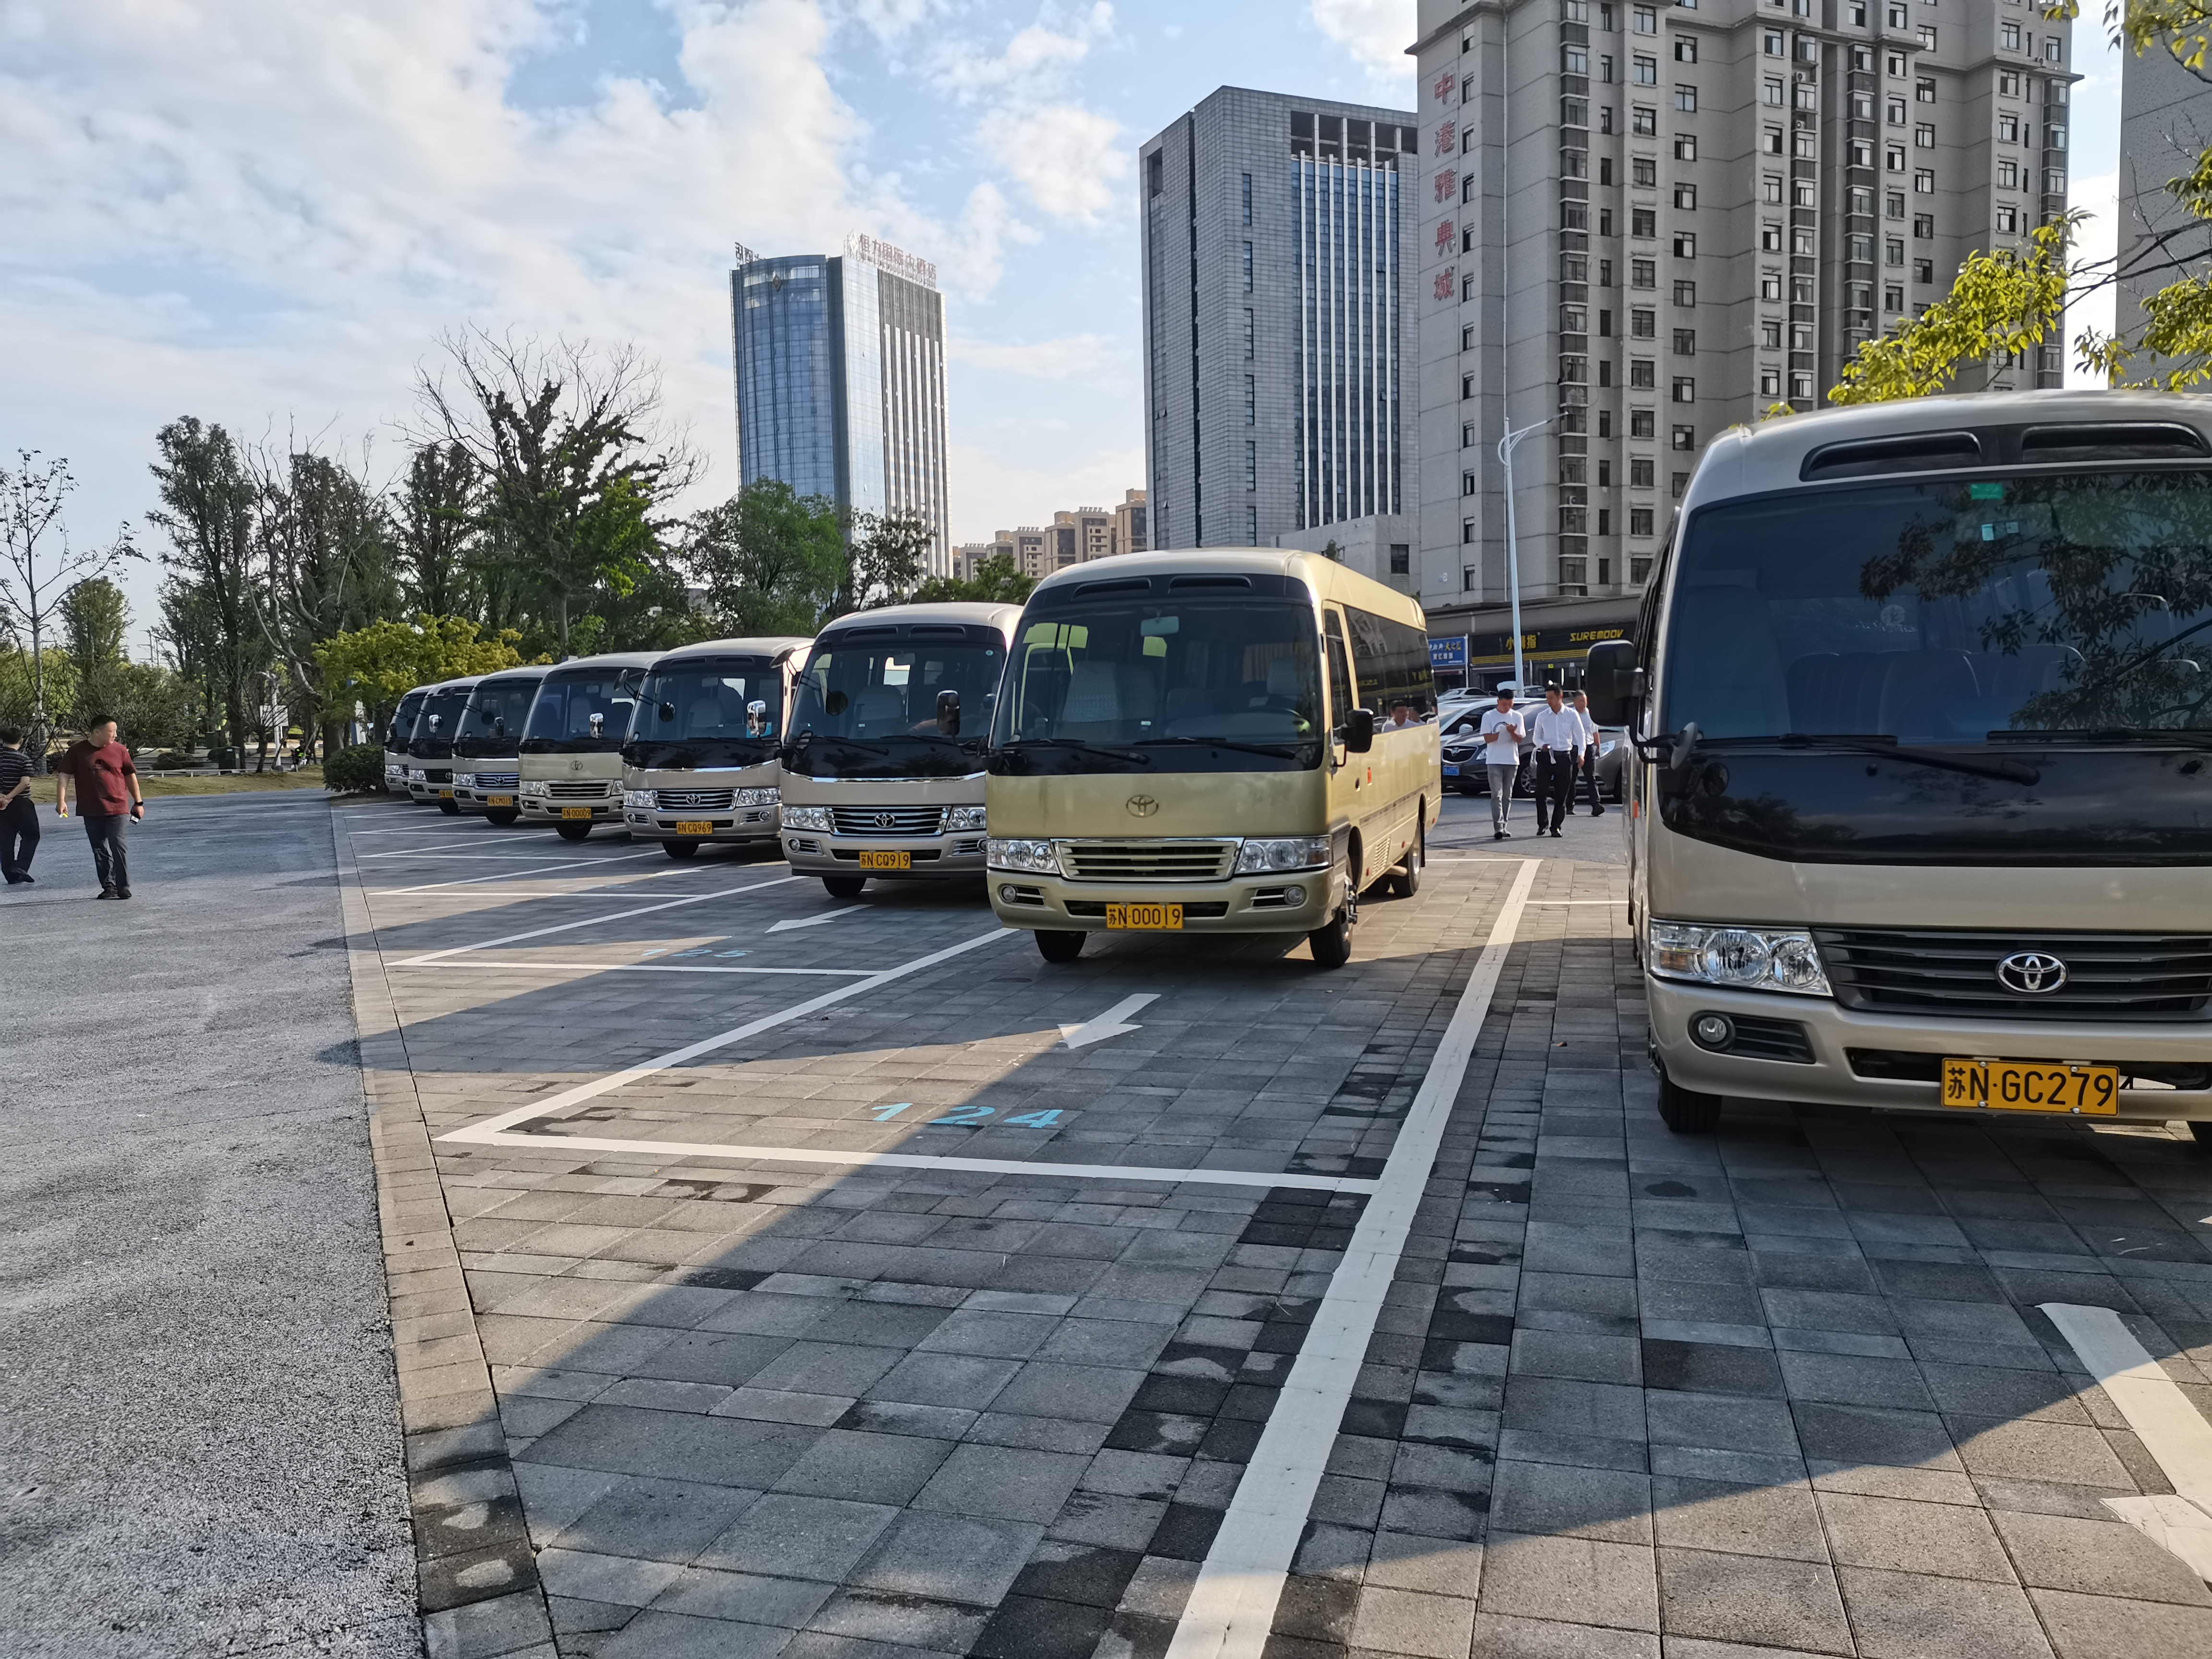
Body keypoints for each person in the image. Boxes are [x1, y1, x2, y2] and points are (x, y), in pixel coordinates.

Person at [55, 716, 144, 899]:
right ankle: (109, 886)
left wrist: (138, 802)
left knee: (118, 844)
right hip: (91, 809)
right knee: (99, 849)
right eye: (112, 731)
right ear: (97, 732)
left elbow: (130, 776)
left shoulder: (120, 750)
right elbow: (64, 775)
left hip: (118, 806)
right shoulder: (77, 751)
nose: (116, 735)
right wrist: (61, 801)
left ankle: (123, 886)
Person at [1527, 684, 1585, 839]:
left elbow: (1581, 736)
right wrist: (1542, 745)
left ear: (1560, 697)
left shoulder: (1572, 715)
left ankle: (1556, 826)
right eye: (1547, 698)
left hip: (1564, 757)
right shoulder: (1543, 716)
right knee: (1541, 793)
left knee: (1561, 795)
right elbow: (1536, 737)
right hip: (1546, 757)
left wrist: (1581, 754)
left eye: (1551, 698)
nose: (1549, 701)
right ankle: (1542, 823)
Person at [1478, 688, 1526, 841]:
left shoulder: (1517, 716)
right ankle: (1498, 827)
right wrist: (1504, 732)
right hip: (1494, 761)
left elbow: (1520, 740)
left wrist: (1512, 732)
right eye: (1504, 704)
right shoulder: (1489, 716)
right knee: (1496, 794)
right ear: (1498, 701)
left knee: (1507, 796)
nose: (1507, 708)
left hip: (1511, 760)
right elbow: (1487, 739)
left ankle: (1505, 825)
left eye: (1510, 704)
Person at [0, 726, 38, 884]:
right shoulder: (23, 759)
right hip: (21, 803)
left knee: (6, 840)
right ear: (21, 741)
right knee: (32, 835)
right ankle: (21, 866)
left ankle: (11, 875)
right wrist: (9, 798)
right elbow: (25, 782)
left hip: (1, 805)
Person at [1573, 690, 1607, 817]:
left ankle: (1596, 805)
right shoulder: (1571, 715)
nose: (1583, 704)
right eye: (1581, 701)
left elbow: (1595, 732)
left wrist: (1598, 746)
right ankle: (1569, 805)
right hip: (1574, 748)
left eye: (1585, 701)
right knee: (1571, 778)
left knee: (1591, 778)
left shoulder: (1590, 715)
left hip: (1589, 748)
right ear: (1575, 702)